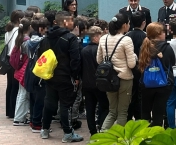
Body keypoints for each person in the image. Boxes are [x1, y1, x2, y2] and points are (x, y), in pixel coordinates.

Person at [39, 11, 83, 142]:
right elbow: (75, 59)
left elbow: (41, 57)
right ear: (64, 22)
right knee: (66, 105)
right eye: (71, 20)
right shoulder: (70, 38)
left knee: (49, 103)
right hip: (65, 77)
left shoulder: (46, 38)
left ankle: (44, 129)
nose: (73, 23)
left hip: (50, 76)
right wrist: (76, 77)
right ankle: (68, 133)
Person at [96, 13, 137, 130]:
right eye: (128, 23)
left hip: (108, 79)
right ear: (124, 25)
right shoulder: (126, 40)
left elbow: (99, 60)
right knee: (122, 112)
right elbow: (131, 64)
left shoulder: (103, 38)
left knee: (112, 111)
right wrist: (134, 56)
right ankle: (118, 139)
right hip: (124, 78)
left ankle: (102, 137)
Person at [139, 22, 176, 127]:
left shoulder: (144, 46)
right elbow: (172, 62)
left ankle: (144, 135)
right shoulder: (167, 47)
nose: (165, 34)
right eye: (163, 32)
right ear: (159, 34)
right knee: (158, 113)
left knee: (145, 112)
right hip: (163, 84)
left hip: (146, 83)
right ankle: (156, 135)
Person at [81, 26, 109, 136]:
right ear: (96, 37)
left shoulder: (83, 50)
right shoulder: (99, 50)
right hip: (99, 84)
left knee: (90, 109)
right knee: (105, 106)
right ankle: (101, 125)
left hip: (87, 84)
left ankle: (92, 131)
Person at [126, 11, 147, 121]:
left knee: (130, 95)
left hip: (129, 69)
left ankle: (129, 118)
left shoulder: (126, 36)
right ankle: (140, 119)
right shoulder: (146, 37)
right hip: (142, 70)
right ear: (144, 22)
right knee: (140, 96)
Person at [5, 10, 25, 119]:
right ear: (19, 19)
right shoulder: (17, 31)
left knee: (10, 85)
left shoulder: (8, 30)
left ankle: (9, 110)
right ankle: (13, 111)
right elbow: (15, 48)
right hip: (14, 59)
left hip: (8, 59)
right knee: (14, 86)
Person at [12, 18, 32, 126]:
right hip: (25, 70)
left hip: (20, 69)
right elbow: (30, 55)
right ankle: (19, 118)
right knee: (24, 94)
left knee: (21, 94)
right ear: (29, 27)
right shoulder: (27, 40)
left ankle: (19, 117)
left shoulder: (20, 38)